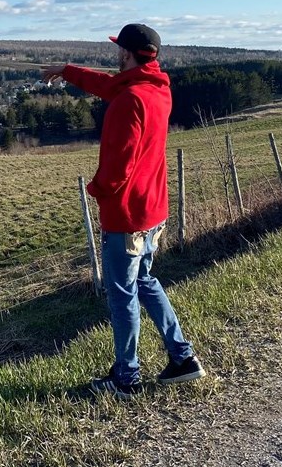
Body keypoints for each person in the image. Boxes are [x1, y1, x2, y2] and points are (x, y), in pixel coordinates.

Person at [42, 23, 205, 399]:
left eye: (119, 50)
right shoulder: (156, 90)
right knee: (145, 281)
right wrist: (67, 71)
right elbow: (109, 86)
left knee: (122, 296)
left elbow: (118, 168)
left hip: (127, 217)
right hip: (153, 210)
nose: (116, 56)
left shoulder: (129, 102)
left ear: (127, 54)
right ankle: (183, 358)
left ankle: (126, 378)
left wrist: (96, 191)